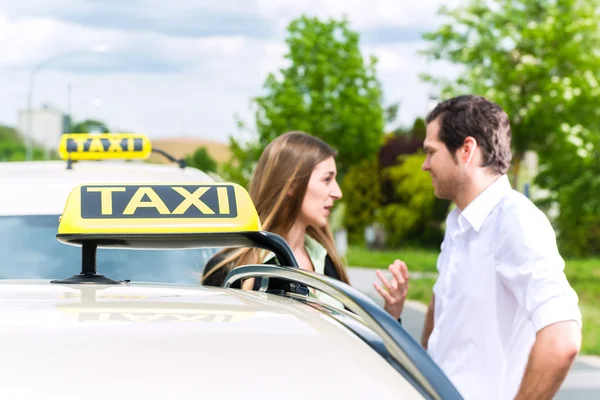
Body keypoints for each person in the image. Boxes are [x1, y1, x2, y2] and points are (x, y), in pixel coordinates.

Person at [419, 95, 582, 399]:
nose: (424, 165)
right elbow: (443, 313)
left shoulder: (516, 222)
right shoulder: (459, 223)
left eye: (431, 152)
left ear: (466, 150)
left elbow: (563, 339)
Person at [202, 131, 408, 321]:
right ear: (292, 184)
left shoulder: (328, 261)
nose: (338, 192)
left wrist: (392, 315)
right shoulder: (231, 270)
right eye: (327, 179)